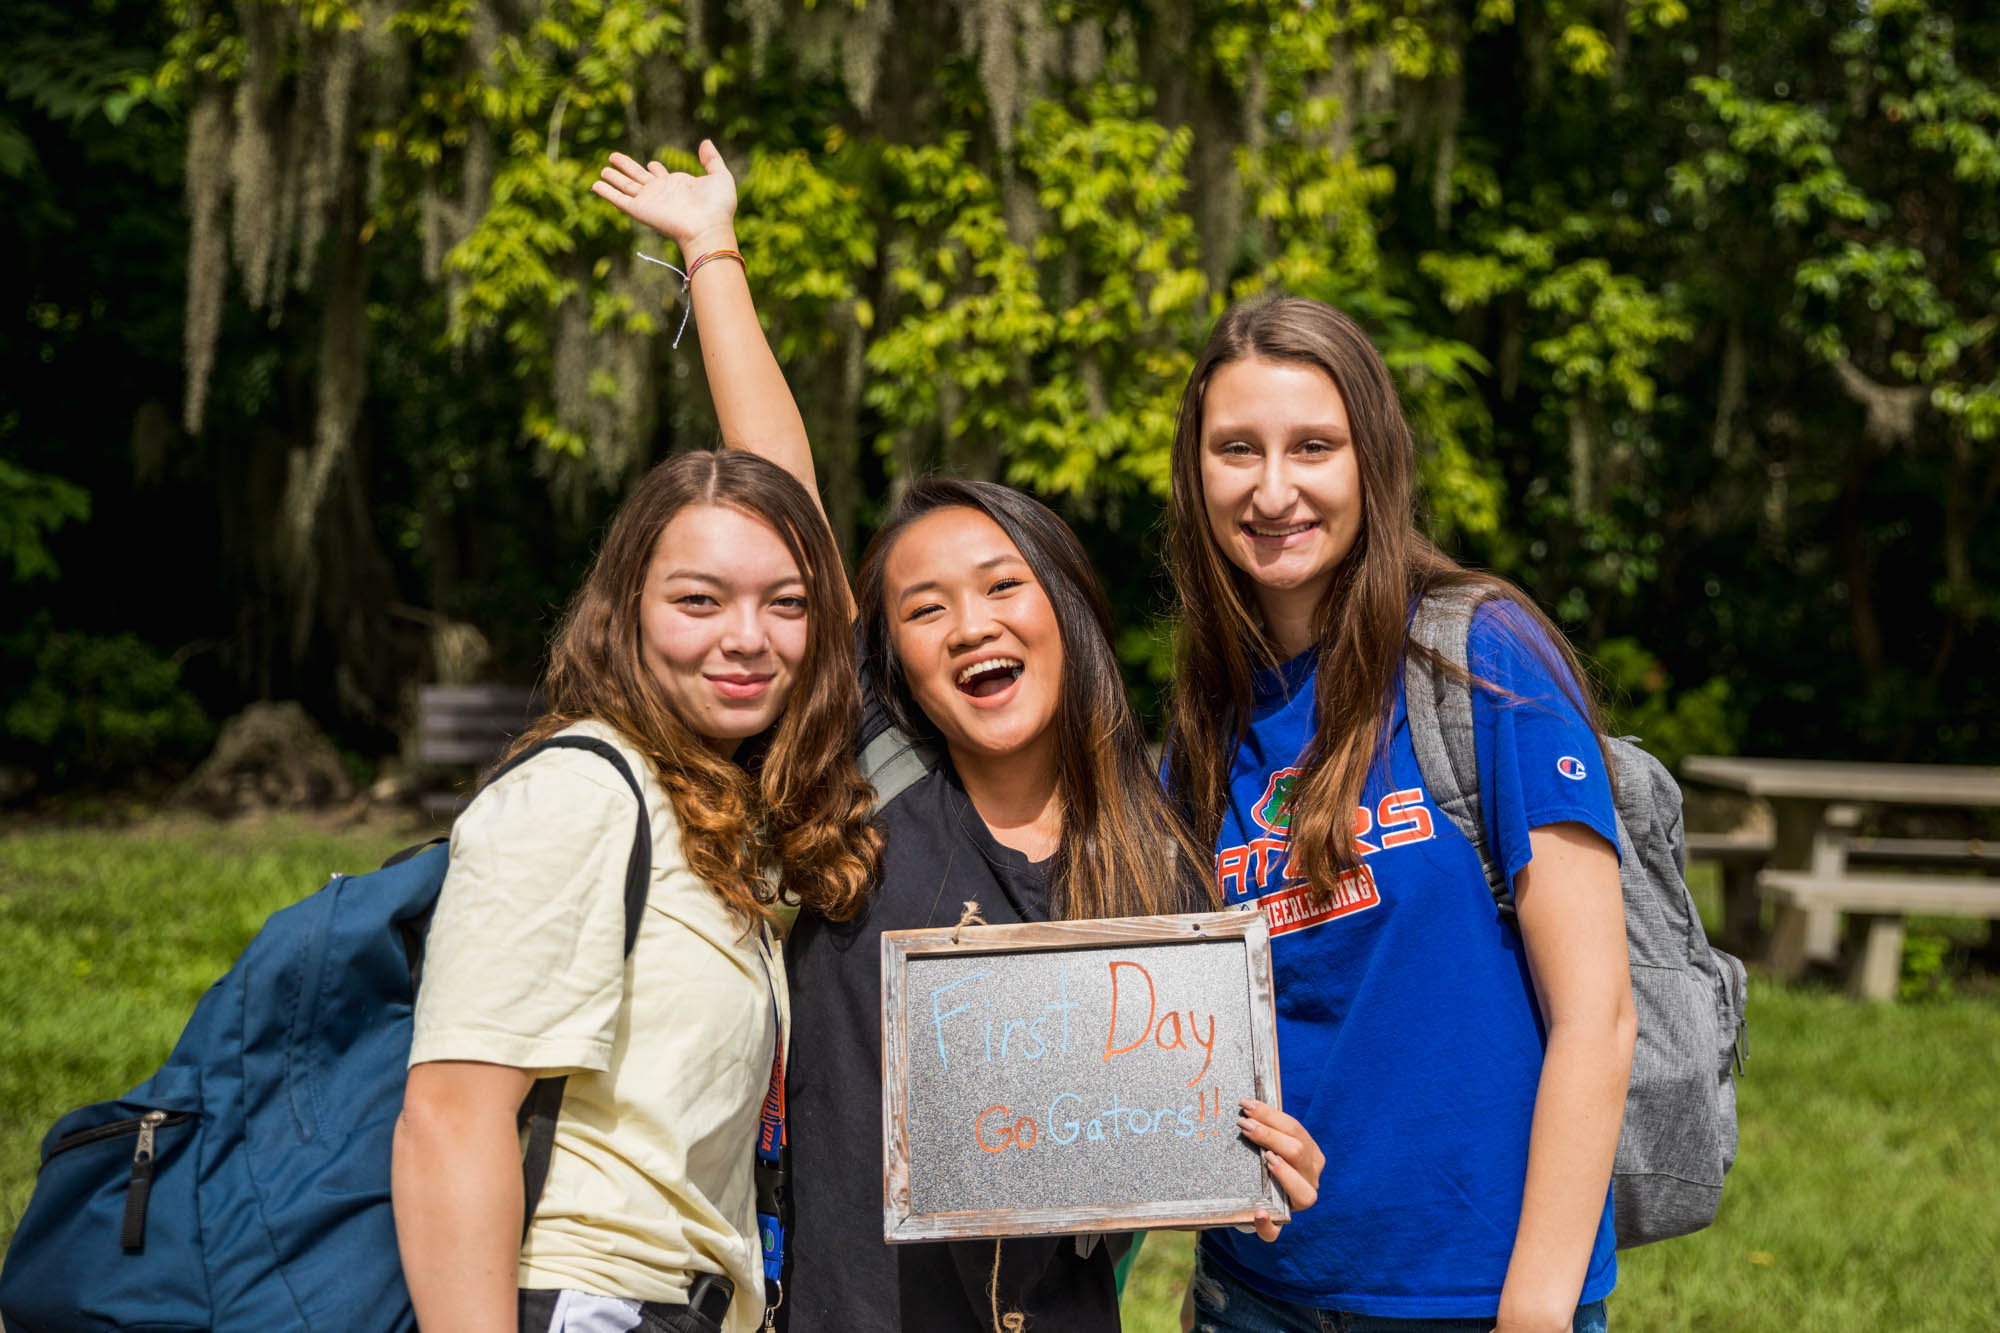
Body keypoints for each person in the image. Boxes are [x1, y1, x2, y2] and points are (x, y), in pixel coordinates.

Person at [591, 142, 1324, 1333]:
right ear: (892, 661)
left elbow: (1178, 1116)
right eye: (922, 609)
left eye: (999, 587)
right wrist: (711, 251)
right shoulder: (865, 785)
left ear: (1065, 610)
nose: (967, 625)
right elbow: (787, 501)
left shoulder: (1158, 842)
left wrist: (1255, 1163)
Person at [1160, 296, 1638, 1333]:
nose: (1273, 487)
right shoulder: (1203, 717)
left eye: (1312, 447)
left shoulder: (1481, 657)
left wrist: (1535, 1309)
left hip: (1471, 1299)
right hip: (1251, 1295)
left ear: (1370, 460)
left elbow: (1596, 1017)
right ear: (1194, 474)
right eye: (1235, 448)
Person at [391, 449, 883, 1333]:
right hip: (587, 1299)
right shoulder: (580, 794)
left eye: (788, 603)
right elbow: (452, 1118)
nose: (747, 635)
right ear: (625, 612)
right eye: (700, 599)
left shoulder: (710, 815)